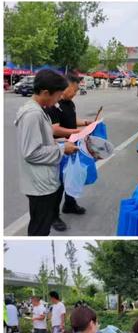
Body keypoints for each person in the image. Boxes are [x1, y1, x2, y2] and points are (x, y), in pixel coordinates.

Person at [14, 70, 78, 236]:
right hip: (39, 185)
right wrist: (63, 149)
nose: (58, 100)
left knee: (42, 225)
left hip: (42, 181)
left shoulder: (38, 110)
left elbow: (42, 142)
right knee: (39, 228)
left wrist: (61, 142)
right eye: (57, 96)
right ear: (45, 93)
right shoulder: (32, 115)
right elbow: (31, 152)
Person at [45, 73, 93, 228]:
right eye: (74, 90)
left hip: (72, 145)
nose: (76, 93)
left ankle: (70, 204)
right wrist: (76, 132)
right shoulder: (53, 105)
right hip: (59, 147)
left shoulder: (70, 103)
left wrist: (86, 123)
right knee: (58, 183)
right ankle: (53, 216)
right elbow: (55, 129)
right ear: (64, 88)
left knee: (72, 176)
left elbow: (72, 120)